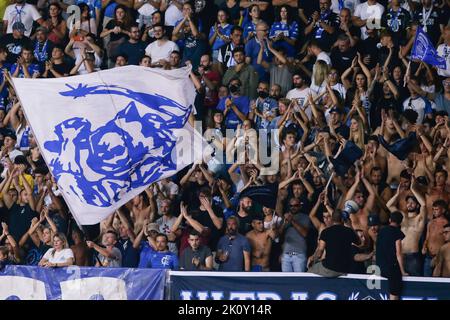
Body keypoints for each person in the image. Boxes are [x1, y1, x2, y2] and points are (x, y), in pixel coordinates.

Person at [387, 176, 427, 276]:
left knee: (415, 286)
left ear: (417, 205)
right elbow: (389, 205)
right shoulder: (402, 217)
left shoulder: (419, 219)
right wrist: (397, 194)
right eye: (408, 202)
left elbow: (424, 205)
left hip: (413, 256)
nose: (410, 205)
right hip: (400, 255)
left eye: (413, 203)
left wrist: (413, 189)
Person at [308, 210, 359, 277]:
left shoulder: (326, 232)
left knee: (309, 272)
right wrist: (350, 225)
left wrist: (313, 259)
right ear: (342, 219)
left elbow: (320, 252)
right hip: (345, 269)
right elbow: (359, 242)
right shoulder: (349, 231)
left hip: (330, 268)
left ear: (332, 219)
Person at [376, 211, 407, 300]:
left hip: (379, 266)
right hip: (391, 268)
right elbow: (398, 253)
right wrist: (402, 271)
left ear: (390, 220)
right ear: (400, 222)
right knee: (394, 292)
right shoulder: (397, 232)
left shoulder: (381, 231)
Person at [279, 197, 311, 272]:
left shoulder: (305, 217)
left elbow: (305, 233)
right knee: (286, 282)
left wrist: (292, 221)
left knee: (299, 281)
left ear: (300, 206)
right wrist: (284, 224)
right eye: (291, 206)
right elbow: (279, 236)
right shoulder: (285, 218)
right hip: (286, 255)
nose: (293, 207)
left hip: (299, 255)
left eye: (295, 205)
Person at [422, 200, 449, 276]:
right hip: (428, 256)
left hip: (439, 257)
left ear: (443, 210)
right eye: (433, 209)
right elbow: (427, 238)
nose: (434, 211)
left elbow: (447, 242)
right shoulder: (430, 223)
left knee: (438, 280)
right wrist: (424, 246)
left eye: (436, 209)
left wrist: (440, 255)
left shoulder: (446, 224)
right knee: (426, 280)